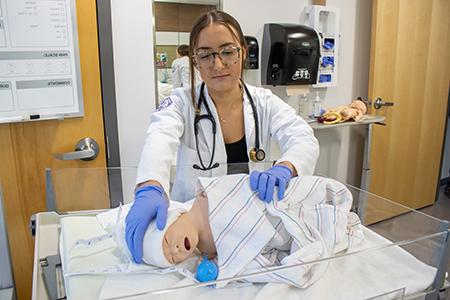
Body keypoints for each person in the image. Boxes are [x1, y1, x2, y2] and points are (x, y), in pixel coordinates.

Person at [126, 10, 320, 264]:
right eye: (205, 55)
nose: (217, 65)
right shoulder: (180, 103)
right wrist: (150, 185)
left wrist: (286, 167)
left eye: (227, 51)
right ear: (195, 61)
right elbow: (159, 138)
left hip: (250, 226)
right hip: (194, 236)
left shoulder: (265, 103)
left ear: (242, 52)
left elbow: (303, 138)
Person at [139, 174, 363, 288]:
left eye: (168, 239)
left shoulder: (204, 197)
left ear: (173, 218)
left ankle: (327, 212)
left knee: (303, 206)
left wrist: (286, 167)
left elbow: (237, 190)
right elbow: (239, 248)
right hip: (276, 234)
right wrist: (221, 262)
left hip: (274, 201)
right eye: (172, 257)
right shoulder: (205, 251)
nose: (176, 249)